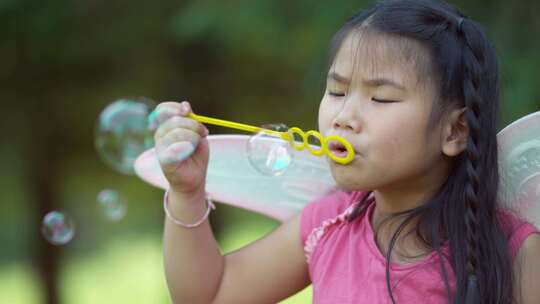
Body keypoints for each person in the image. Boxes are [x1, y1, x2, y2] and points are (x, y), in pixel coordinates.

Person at [152, 0, 540, 303]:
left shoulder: (514, 250)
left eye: (381, 97)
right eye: (337, 91)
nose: (343, 117)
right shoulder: (328, 225)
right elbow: (211, 295)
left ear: (456, 130)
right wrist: (187, 192)